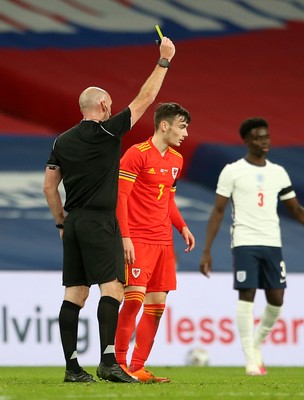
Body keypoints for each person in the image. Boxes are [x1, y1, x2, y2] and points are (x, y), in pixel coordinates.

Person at [43, 36, 176, 384]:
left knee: (75, 293)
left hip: (73, 222)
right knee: (113, 289)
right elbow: (145, 99)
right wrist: (164, 61)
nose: (113, 106)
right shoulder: (106, 132)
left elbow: (48, 185)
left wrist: (61, 222)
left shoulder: (62, 140)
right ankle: (108, 362)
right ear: (102, 104)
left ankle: (73, 368)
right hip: (101, 221)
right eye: (111, 103)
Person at [199, 117, 304, 375]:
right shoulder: (232, 171)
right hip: (245, 241)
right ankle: (249, 358)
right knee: (247, 294)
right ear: (246, 141)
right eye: (257, 137)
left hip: (272, 242)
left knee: (277, 300)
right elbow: (218, 211)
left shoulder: (278, 172)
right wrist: (206, 251)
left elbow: (295, 209)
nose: (263, 141)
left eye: (266, 136)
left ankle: (255, 345)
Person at [115, 102, 195, 383]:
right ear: (164, 125)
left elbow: (169, 200)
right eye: (182, 127)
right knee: (133, 301)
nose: (185, 134)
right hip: (138, 238)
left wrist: (182, 226)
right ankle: (119, 365)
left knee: (157, 307)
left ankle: (138, 368)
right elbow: (120, 198)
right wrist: (125, 237)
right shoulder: (136, 154)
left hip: (164, 242)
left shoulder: (176, 160)